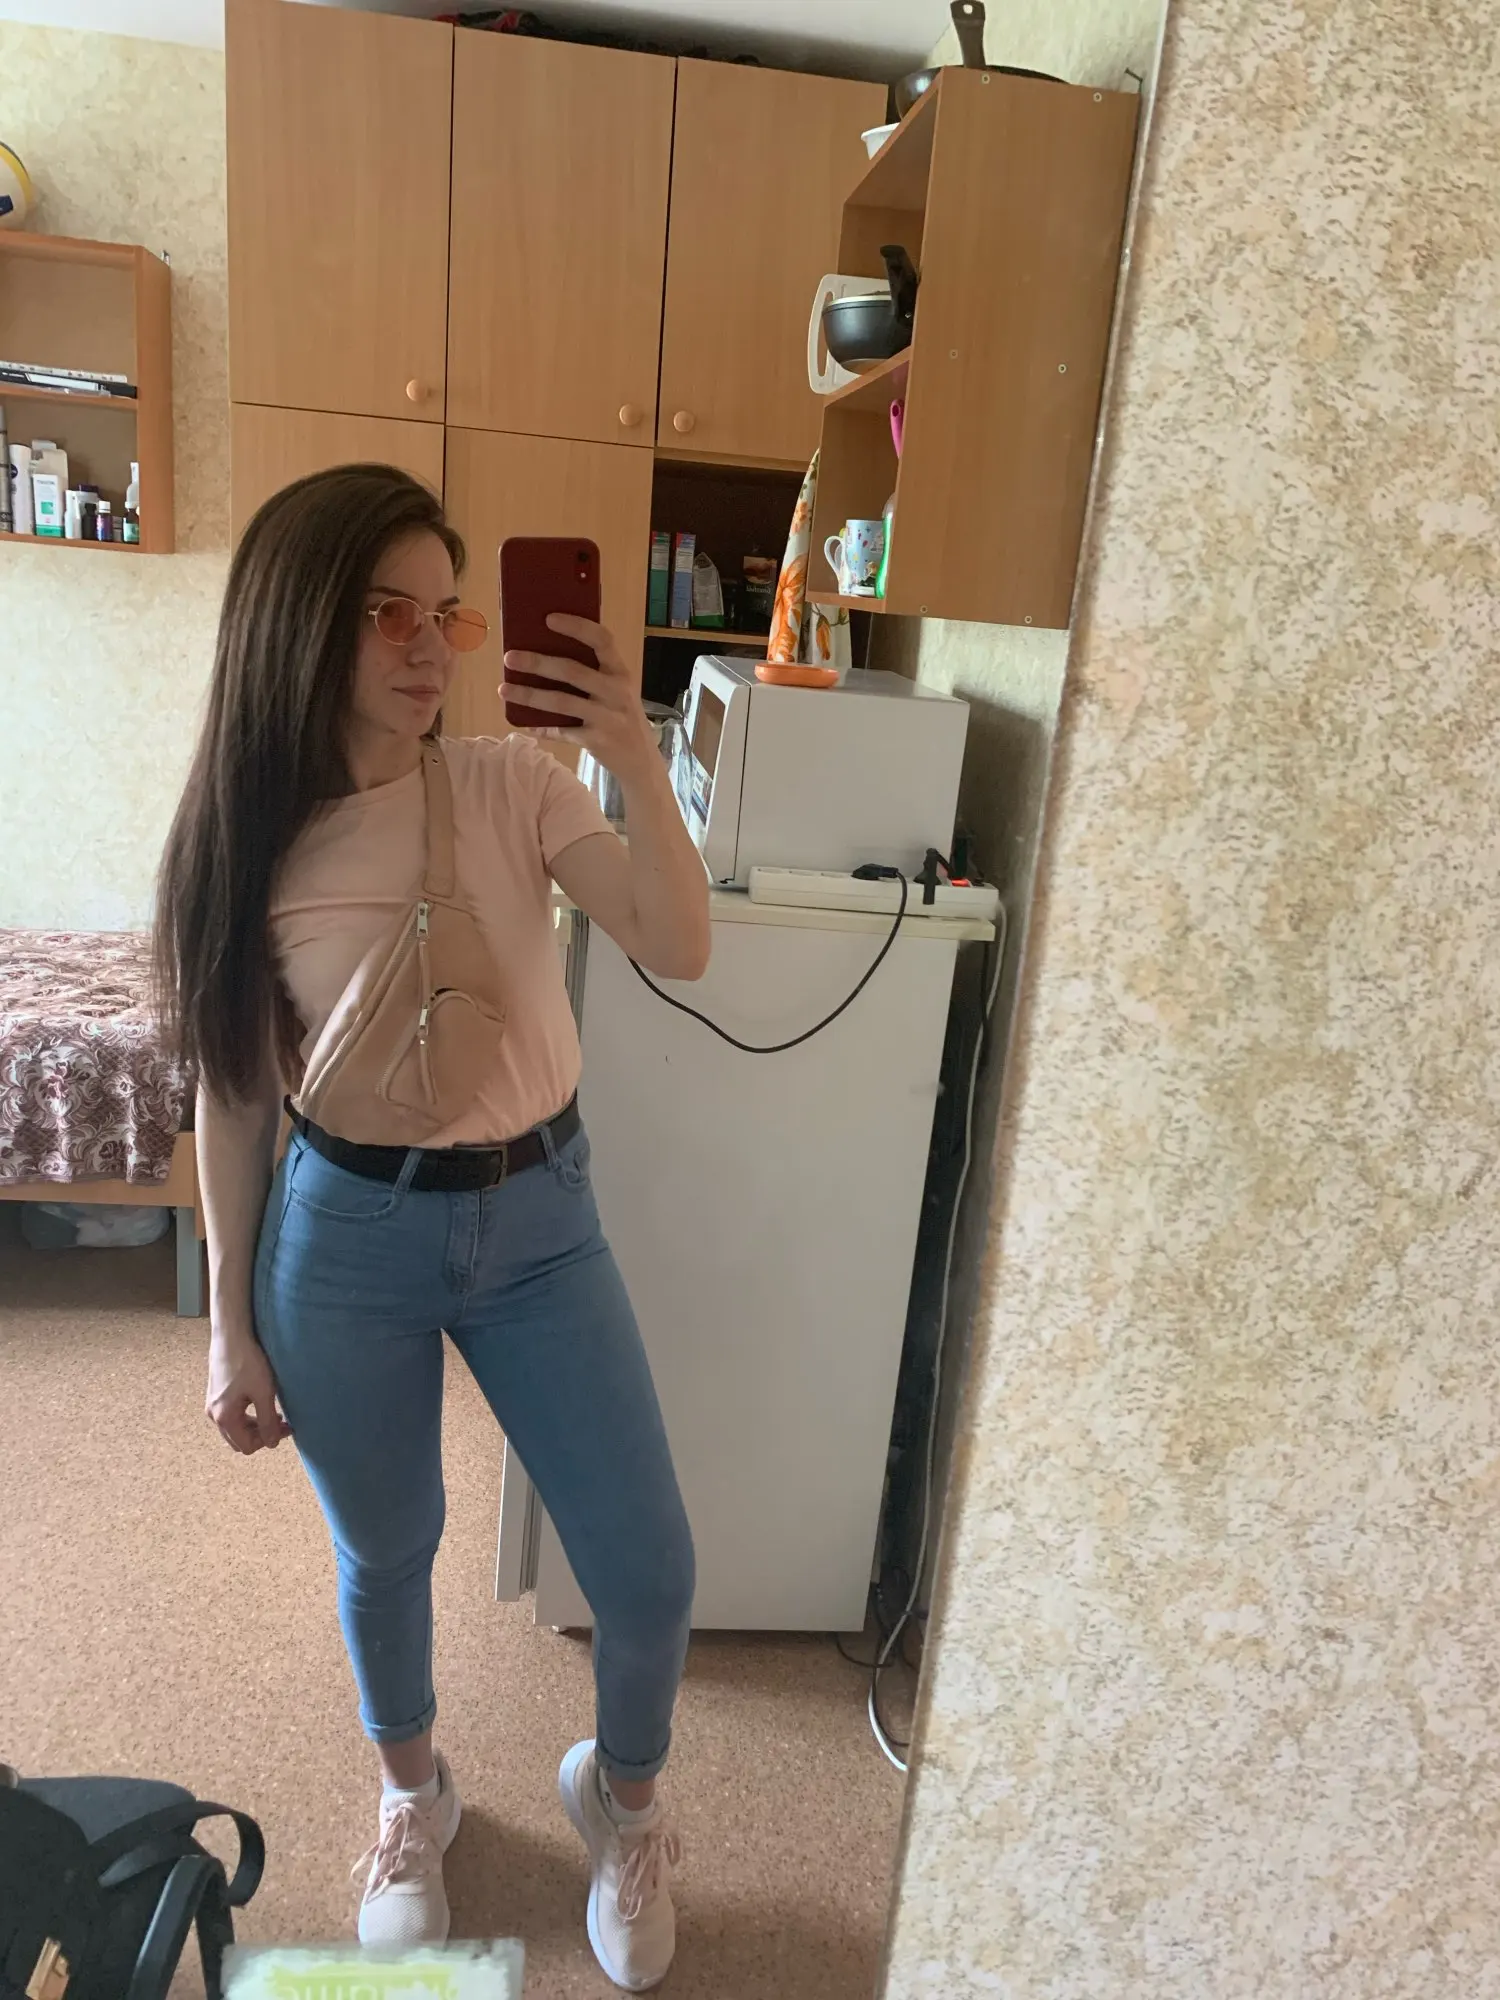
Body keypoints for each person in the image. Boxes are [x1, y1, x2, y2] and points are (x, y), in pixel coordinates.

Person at [154, 465, 709, 1990]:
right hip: (343, 1241)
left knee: (648, 1568)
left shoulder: (516, 782)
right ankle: (414, 1795)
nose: (427, 646)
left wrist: (631, 755)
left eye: (444, 613)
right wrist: (228, 1329)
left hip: (543, 1224)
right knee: (389, 1547)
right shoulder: (249, 841)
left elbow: (679, 942)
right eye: (384, 611)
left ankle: (626, 1800)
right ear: (299, 624)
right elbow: (236, 1098)